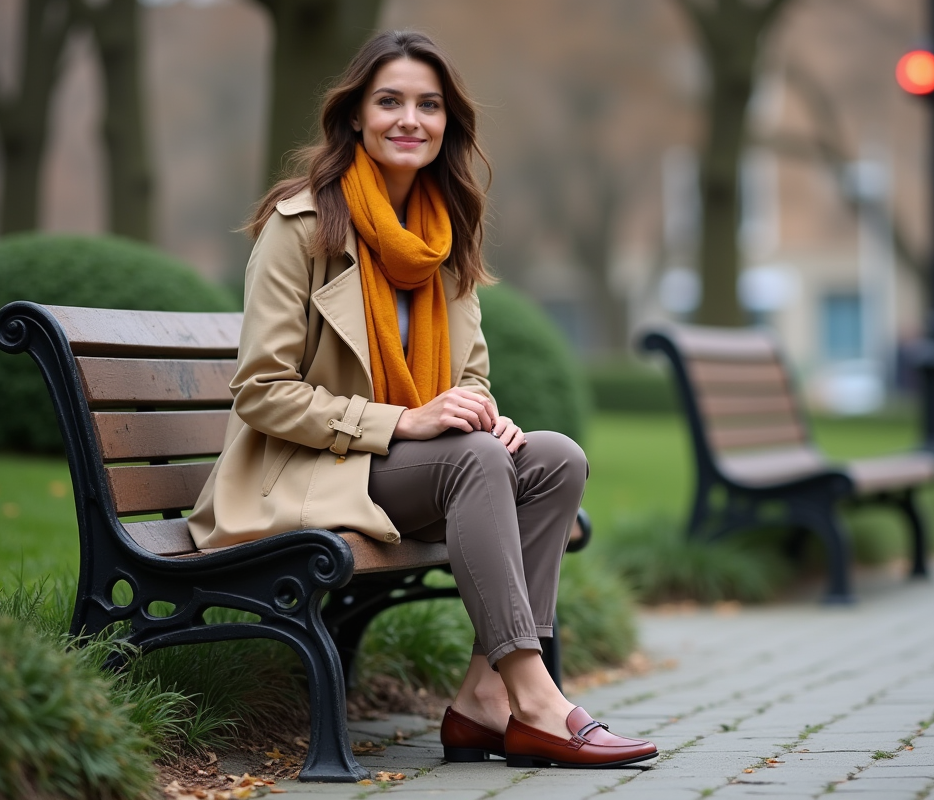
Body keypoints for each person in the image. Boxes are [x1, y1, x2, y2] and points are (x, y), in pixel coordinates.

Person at [186, 30, 656, 769]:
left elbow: (466, 377)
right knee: (473, 463)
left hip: (404, 465)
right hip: (306, 469)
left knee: (555, 458)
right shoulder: (301, 225)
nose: (411, 119)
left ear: (448, 125)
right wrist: (406, 420)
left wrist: (481, 412)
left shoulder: (443, 236)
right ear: (354, 120)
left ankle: (479, 701)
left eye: (429, 105)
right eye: (390, 102)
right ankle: (536, 699)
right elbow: (261, 393)